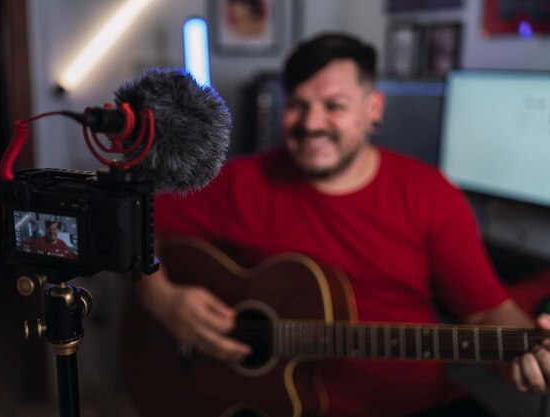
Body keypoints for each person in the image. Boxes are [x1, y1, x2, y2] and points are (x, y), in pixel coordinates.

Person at [137, 33, 550, 416]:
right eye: (297, 104)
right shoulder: (240, 183)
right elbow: (139, 221)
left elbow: (486, 314)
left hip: (410, 406)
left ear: (373, 109)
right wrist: (163, 297)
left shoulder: (432, 195)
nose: (312, 123)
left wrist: (525, 355)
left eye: (334, 106)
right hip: (271, 403)